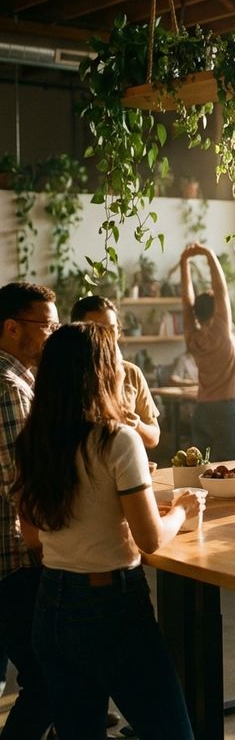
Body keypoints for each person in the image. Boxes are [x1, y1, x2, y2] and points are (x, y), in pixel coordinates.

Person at [13, 322, 201, 739]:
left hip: (51, 606)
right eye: (115, 360)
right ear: (99, 373)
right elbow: (150, 539)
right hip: (111, 608)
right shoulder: (117, 441)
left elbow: (31, 535)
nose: (122, 368)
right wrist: (183, 512)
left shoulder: (34, 440)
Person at [0, 281, 57, 738]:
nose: (52, 334)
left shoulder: (20, 381)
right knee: (48, 681)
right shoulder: (9, 388)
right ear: (12, 328)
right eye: (46, 325)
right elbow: (22, 485)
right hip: (14, 561)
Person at [179, 243, 235, 461]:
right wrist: (209, 254)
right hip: (226, 409)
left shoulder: (193, 336)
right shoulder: (221, 330)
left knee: (201, 467)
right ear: (216, 310)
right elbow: (221, 290)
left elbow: (186, 301)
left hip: (202, 409)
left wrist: (185, 262)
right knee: (229, 466)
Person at [71, 295, 160, 449]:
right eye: (97, 330)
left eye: (111, 329)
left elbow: (154, 438)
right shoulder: (66, 373)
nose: (106, 337)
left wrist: (137, 425)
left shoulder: (131, 373)